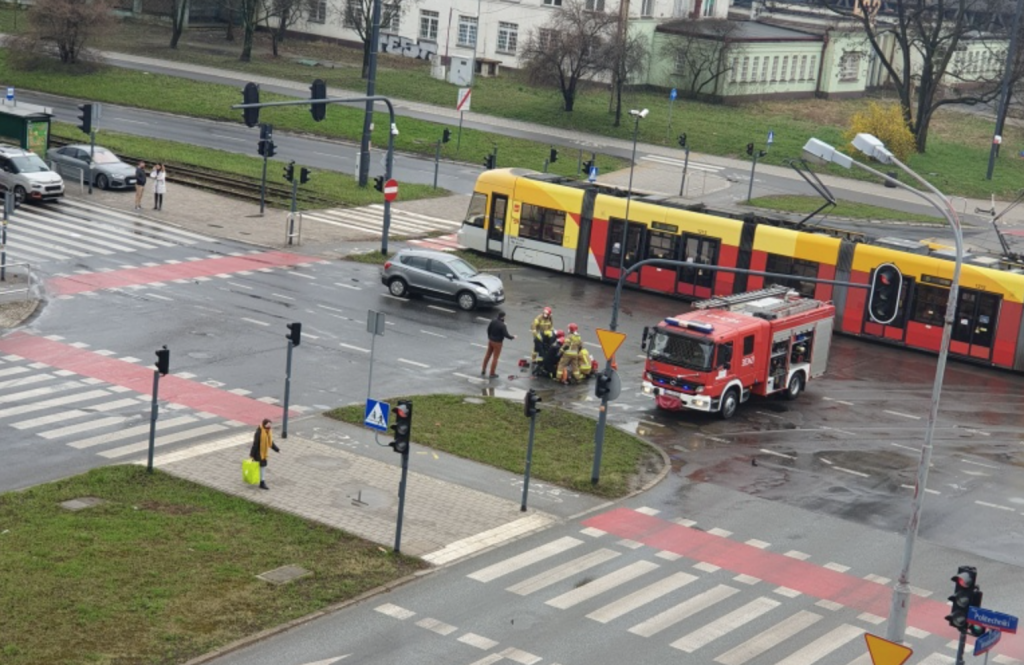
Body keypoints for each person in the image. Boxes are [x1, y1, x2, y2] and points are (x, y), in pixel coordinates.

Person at [482, 311, 515, 378]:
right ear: (503, 317)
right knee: (495, 358)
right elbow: (506, 335)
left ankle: (483, 369)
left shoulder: (493, 321)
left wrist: (489, 337)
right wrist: (513, 337)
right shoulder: (502, 325)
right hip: (498, 343)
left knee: (487, 355)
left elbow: (488, 330)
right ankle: (492, 373)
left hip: (491, 341)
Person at [249, 418, 280, 490]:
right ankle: (261, 482)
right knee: (261, 466)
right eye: (268, 425)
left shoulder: (268, 431)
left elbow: (270, 442)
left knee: (262, 466)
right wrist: (251, 455)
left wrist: (277, 449)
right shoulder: (259, 432)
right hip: (258, 453)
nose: (269, 426)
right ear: (264, 424)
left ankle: (261, 481)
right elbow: (255, 444)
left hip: (264, 453)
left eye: (270, 425)